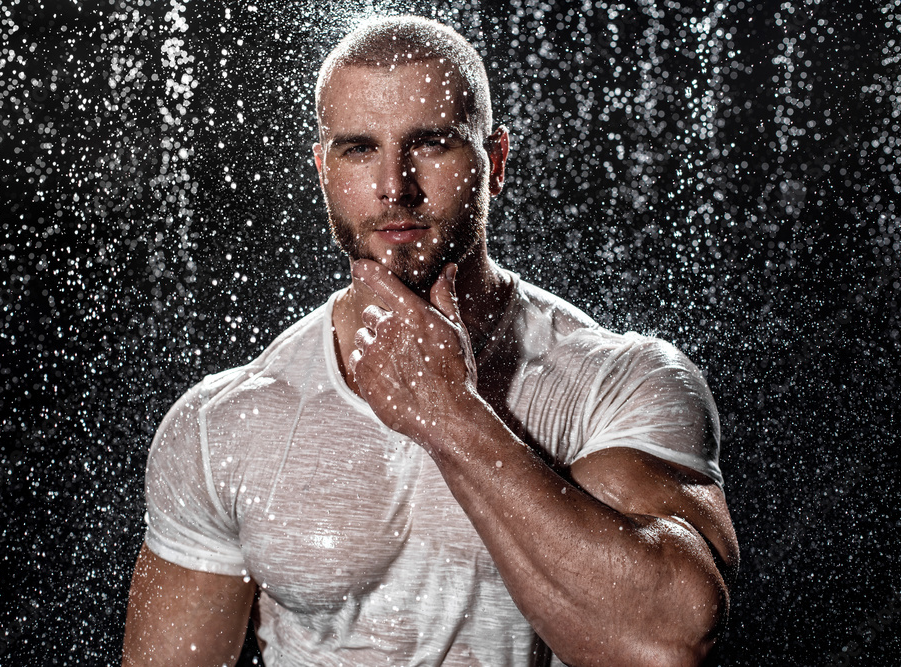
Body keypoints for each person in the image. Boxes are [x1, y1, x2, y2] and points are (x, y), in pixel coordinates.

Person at [122, 15, 738, 667]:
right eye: (359, 149)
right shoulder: (226, 423)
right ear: (323, 170)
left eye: (432, 144)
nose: (395, 185)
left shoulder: (619, 383)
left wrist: (449, 413)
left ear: (495, 161)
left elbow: (667, 640)